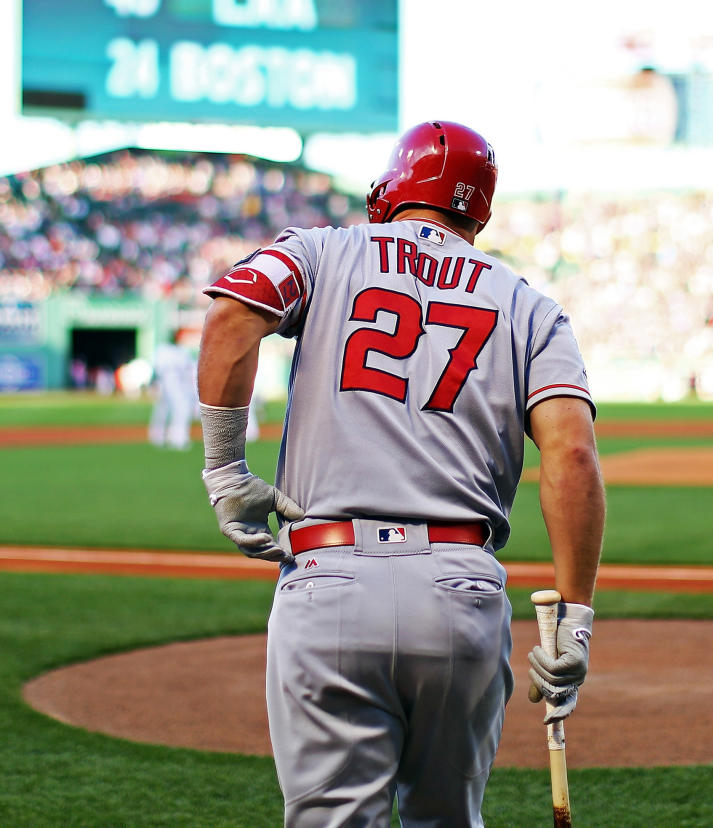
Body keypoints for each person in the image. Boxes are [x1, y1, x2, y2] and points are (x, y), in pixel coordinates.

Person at [197, 120, 605, 826]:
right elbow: (571, 453)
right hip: (460, 588)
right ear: (477, 210)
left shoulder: (321, 250)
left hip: (330, 577)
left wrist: (226, 469)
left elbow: (233, 315)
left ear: (391, 189)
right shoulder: (530, 306)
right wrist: (574, 617)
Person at [148, 329, 198, 450]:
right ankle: (172, 437)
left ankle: (170, 437)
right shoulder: (166, 349)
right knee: (172, 409)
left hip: (173, 381)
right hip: (168, 381)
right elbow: (156, 367)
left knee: (166, 409)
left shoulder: (178, 350)